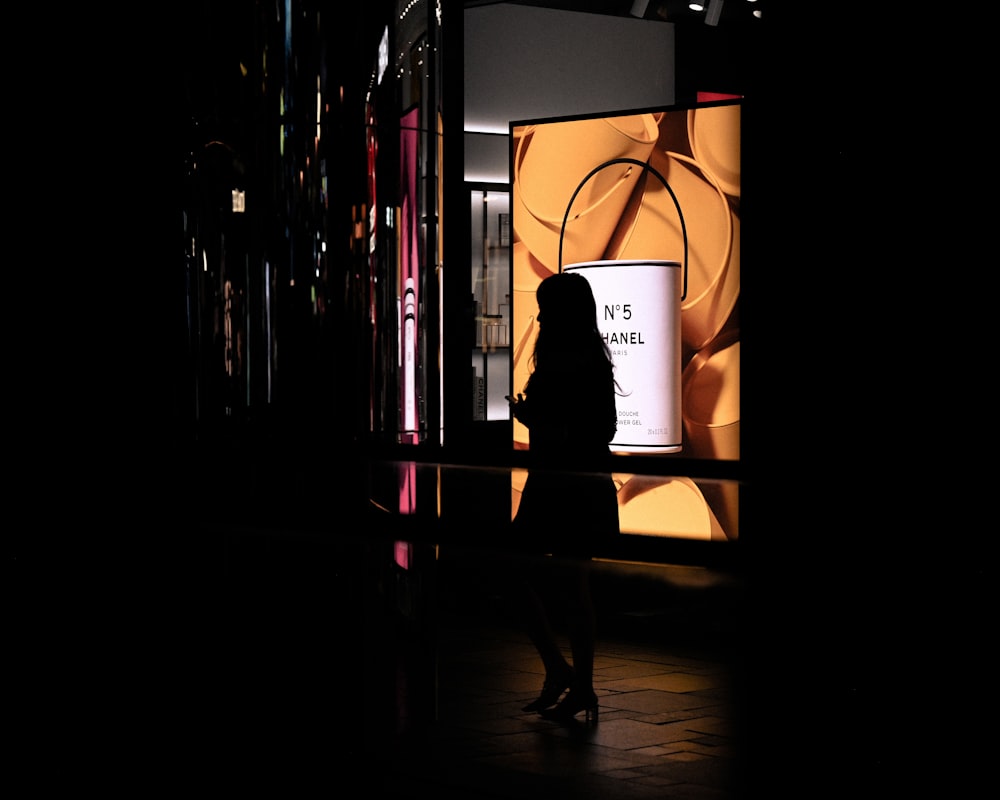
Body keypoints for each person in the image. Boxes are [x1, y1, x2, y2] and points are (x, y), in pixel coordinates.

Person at [509, 271, 620, 724]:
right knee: (574, 587)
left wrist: (536, 419)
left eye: (545, 307)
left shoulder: (561, 361)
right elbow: (603, 429)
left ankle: (564, 674)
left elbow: (581, 428)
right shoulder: (591, 359)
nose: (539, 315)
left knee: (520, 570)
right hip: (580, 485)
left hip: (556, 484)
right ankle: (577, 683)